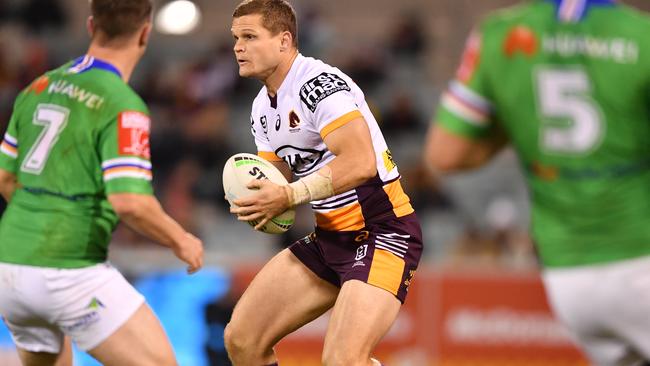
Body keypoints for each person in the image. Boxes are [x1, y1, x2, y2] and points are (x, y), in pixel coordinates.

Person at [425, 1, 650, 365]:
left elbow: (444, 154)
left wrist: (521, 127)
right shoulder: (641, 37)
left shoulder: (499, 35)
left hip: (568, 276)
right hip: (640, 256)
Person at [0, 1, 204, 365]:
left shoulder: (38, 87)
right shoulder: (122, 103)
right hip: (69, 268)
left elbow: (5, 178)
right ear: (145, 33)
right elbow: (130, 201)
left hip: (12, 264)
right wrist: (181, 239)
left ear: (92, 25)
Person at [225, 1, 423, 365]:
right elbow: (277, 186)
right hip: (329, 239)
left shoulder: (319, 85)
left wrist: (288, 194)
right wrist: (257, 201)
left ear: (284, 41)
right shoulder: (260, 109)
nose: (238, 47)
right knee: (242, 341)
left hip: (383, 233)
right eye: (236, 38)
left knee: (342, 360)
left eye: (250, 37)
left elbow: (361, 162)